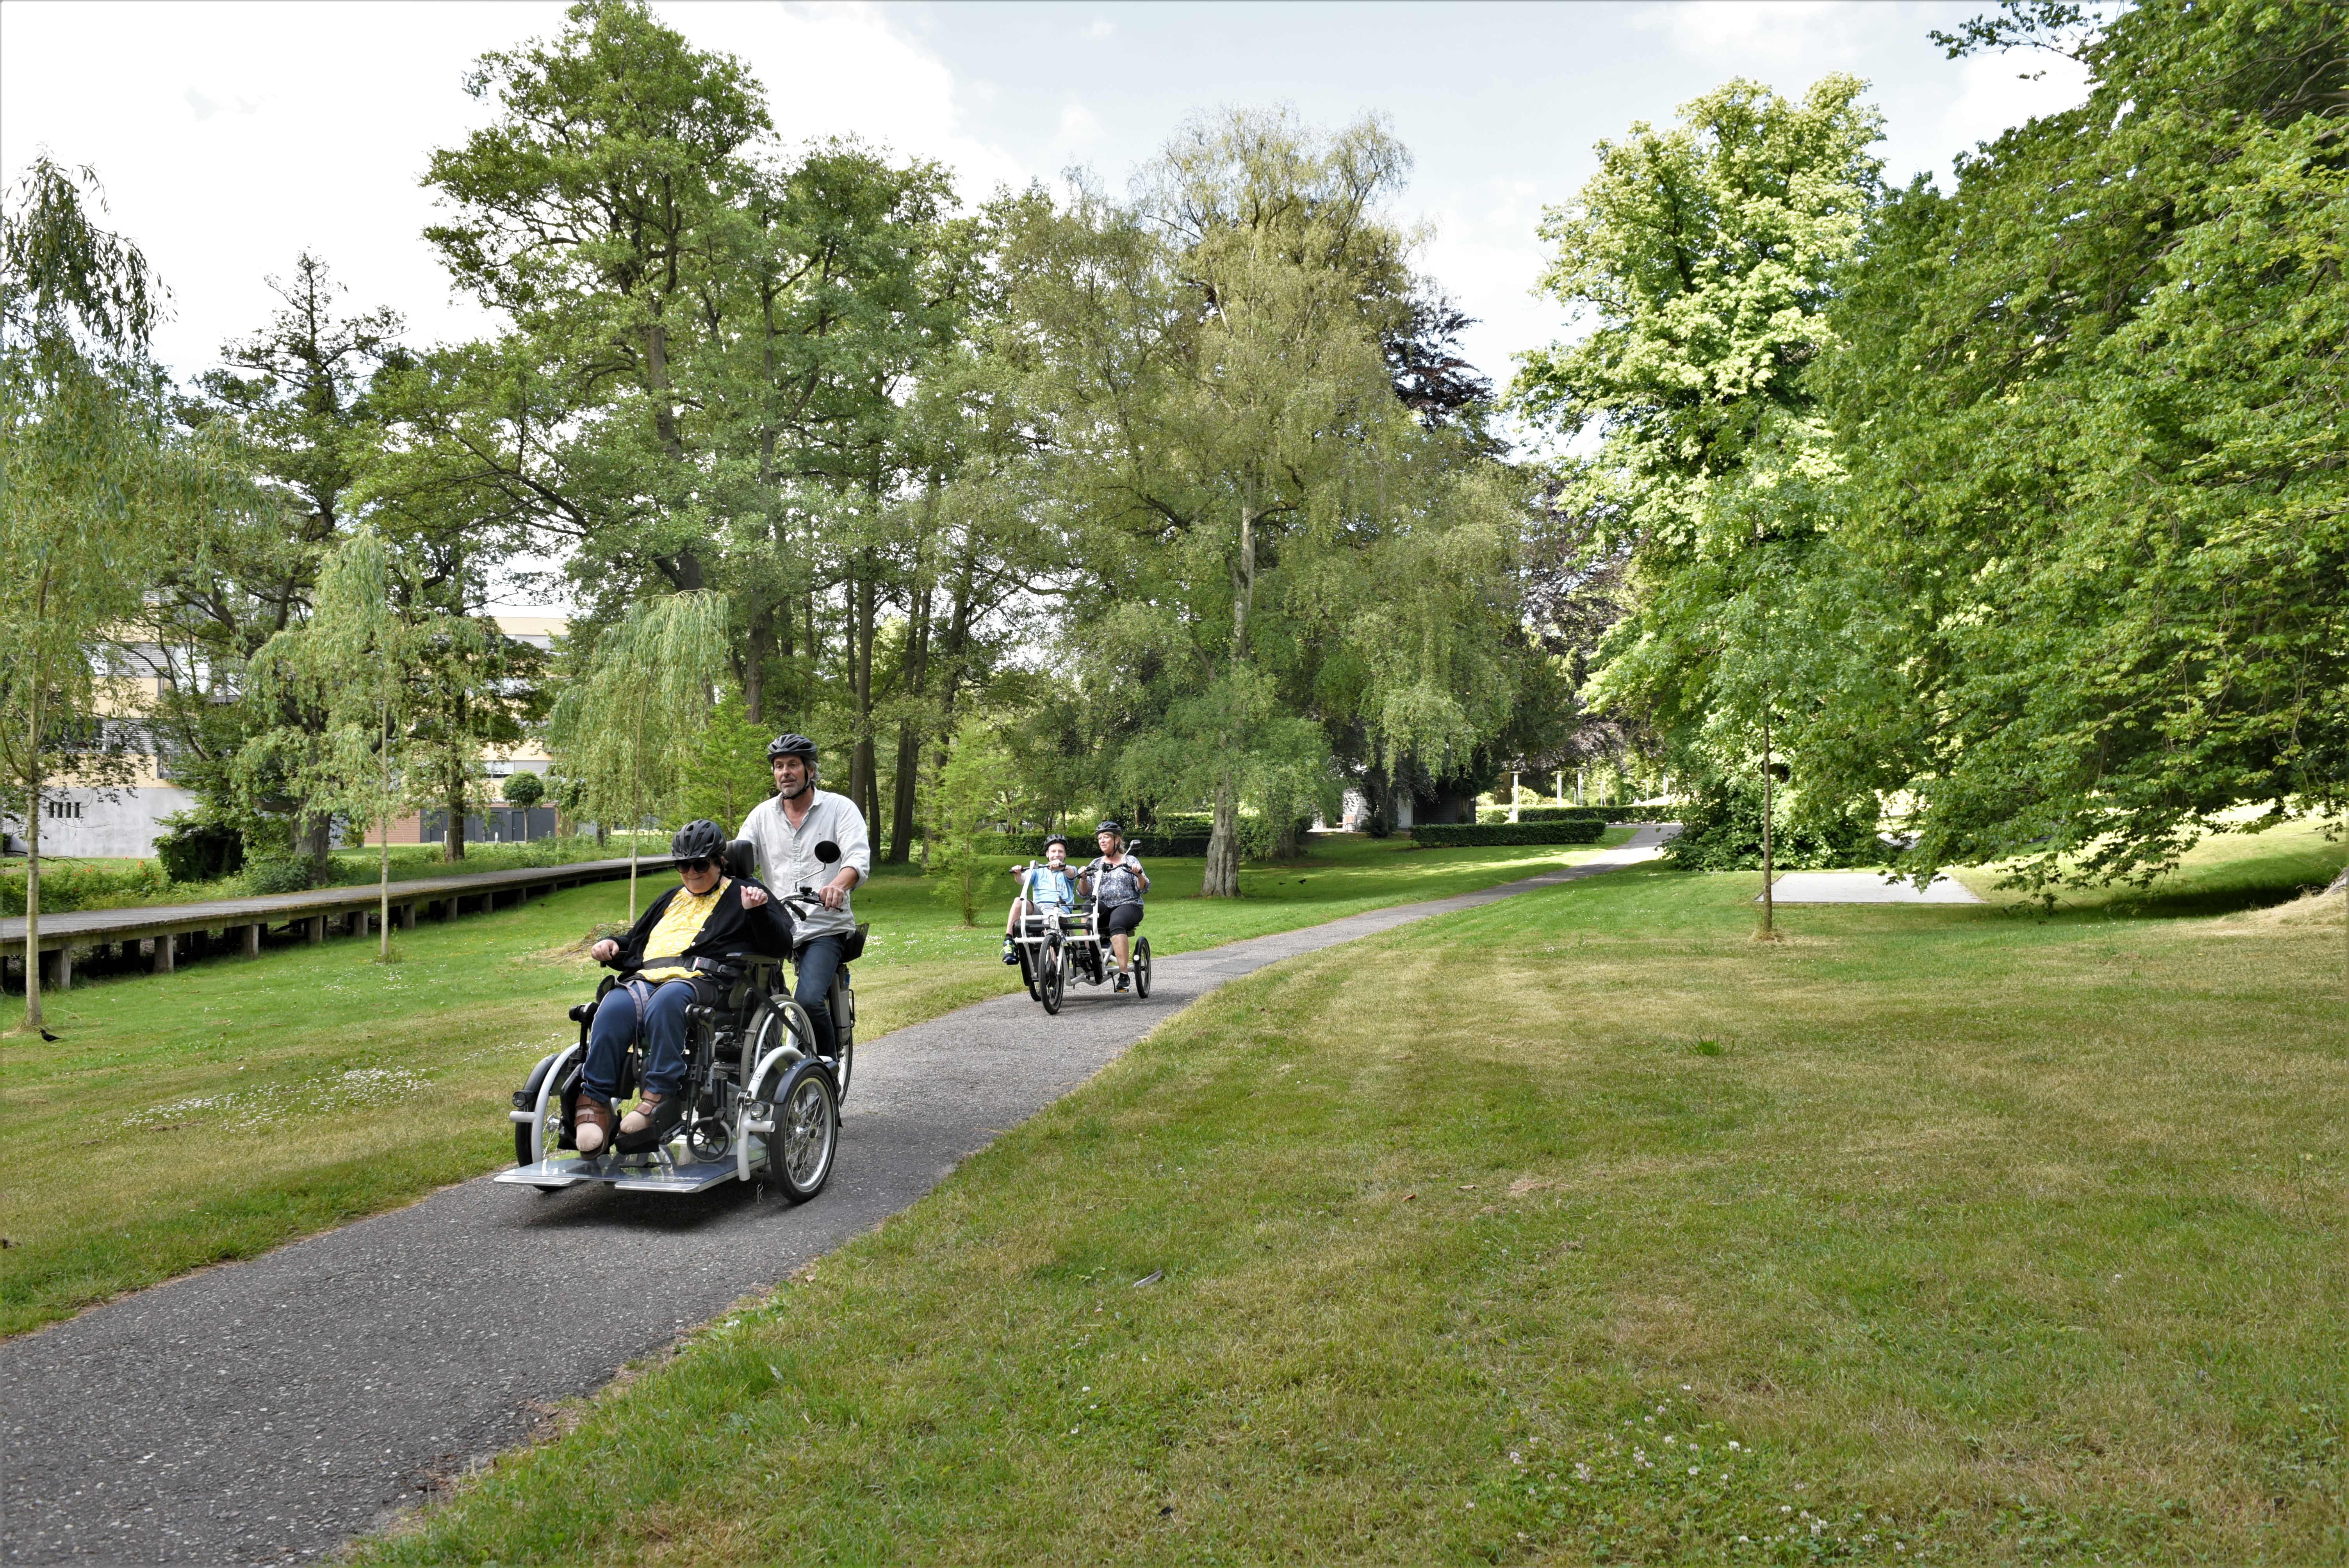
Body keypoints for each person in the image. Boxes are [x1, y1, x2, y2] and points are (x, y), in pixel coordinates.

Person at [578, 819, 791, 1156]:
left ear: (720, 861)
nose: (691, 872)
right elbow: (636, 940)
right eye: (682, 865)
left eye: (700, 864)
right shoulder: (670, 898)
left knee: (669, 999)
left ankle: (657, 1099)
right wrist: (612, 945)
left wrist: (758, 913)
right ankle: (596, 1103)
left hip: (708, 983)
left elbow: (780, 946)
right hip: (647, 979)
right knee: (614, 1007)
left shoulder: (745, 893)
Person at [737, 733, 870, 1058]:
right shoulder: (761, 816)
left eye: (793, 765)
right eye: (779, 766)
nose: (785, 772)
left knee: (809, 1002)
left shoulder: (840, 809)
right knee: (741, 997)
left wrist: (838, 885)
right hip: (774, 924)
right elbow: (740, 860)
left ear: (810, 771)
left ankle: (826, 1068)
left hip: (824, 925)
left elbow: (857, 859)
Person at [1080, 820, 1150, 992]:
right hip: (1103, 905)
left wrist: (1139, 874)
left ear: (1117, 841)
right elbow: (1084, 893)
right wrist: (1083, 878)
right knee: (1088, 908)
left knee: (1116, 923)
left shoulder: (1129, 860)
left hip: (1129, 905)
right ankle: (1090, 955)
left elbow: (1144, 888)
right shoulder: (1095, 863)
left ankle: (1124, 975)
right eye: (1100, 839)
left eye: (1106, 838)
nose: (1102, 841)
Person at [1003, 834, 1076, 964]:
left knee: (1050, 920)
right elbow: (1022, 881)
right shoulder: (1038, 871)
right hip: (1038, 911)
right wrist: (1018, 874)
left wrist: (1062, 867)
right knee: (1018, 902)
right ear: (1047, 854)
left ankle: (1053, 969)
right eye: (1053, 851)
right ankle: (1008, 942)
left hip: (1059, 911)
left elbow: (1071, 873)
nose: (1057, 854)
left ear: (1065, 855)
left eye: (1061, 851)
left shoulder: (1068, 870)